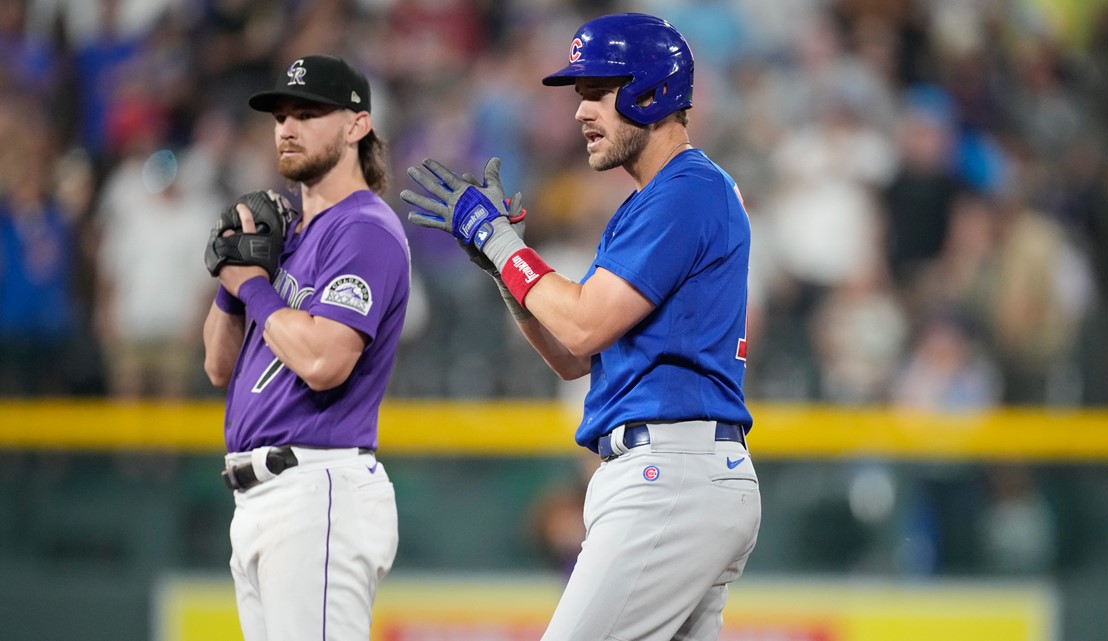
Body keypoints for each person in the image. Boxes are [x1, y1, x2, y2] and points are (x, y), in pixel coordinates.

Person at [401, 13, 760, 641]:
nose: (580, 111)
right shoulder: (658, 200)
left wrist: (497, 239)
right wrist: (499, 263)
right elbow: (571, 353)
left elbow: (584, 324)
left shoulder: (686, 191)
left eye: (597, 90)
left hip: (668, 477)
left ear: (651, 92)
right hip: (683, 475)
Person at [202, 54, 408, 641]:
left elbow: (323, 361)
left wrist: (257, 288)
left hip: (317, 489)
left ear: (356, 125)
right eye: (281, 115)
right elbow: (217, 365)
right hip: (263, 502)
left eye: (309, 113)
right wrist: (232, 279)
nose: (287, 128)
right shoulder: (290, 235)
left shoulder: (364, 228)